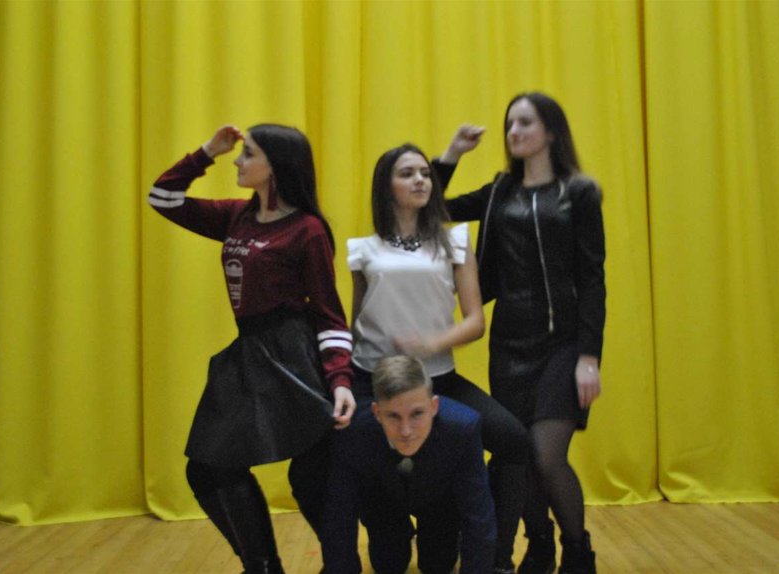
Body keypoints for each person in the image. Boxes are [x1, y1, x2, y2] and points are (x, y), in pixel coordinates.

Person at [148, 124, 357, 574]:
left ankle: (342, 565)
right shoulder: (236, 216)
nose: (238, 162)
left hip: (294, 356)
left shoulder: (308, 230)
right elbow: (162, 197)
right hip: (250, 352)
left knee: (310, 477)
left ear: (275, 166)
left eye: (248, 154)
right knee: (207, 468)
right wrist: (207, 151)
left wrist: (341, 379)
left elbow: (328, 312)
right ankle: (263, 567)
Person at [434, 92, 606, 574]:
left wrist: (589, 356)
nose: (514, 132)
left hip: (563, 344)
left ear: (551, 131)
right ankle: (539, 544)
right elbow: (432, 206)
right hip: (510, 344)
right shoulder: (499, 191)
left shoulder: (579, 192)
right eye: (510, 124)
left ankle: (578, 551)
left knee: (547, 457)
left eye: (525, 123)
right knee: (519, 454)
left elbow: (593, 278)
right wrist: (451, 154)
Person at [347, 143, 531, 573]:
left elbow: (474, 321)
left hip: (438, 379)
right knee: (354, 457)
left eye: (425, 173)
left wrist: (430, 343)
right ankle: (389, 527)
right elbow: (356, 322)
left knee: (513, 440)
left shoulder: (454, 242)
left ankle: (496, 556)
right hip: (375, 381)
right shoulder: (362, 250)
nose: (420, 180)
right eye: (407, 173)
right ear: (386, 186)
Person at [321, 355, 496, 574]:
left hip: (438, 503)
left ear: (434, 406)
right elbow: (339, 518)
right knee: (388, 565)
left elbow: (479, 518)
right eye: (393, 416)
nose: (406, 431)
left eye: (417, 414)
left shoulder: (462, 430)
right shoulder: (352, 435)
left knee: (438, 566)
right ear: (377, 413)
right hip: (384, 502)